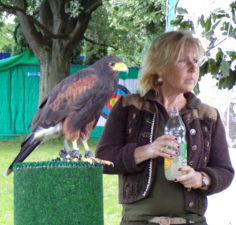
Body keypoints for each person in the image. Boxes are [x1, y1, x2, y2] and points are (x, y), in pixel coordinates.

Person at [96, 31, 234, 225]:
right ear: (159, 68)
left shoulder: (207, 115)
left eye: (195, 60)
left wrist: (202, 179)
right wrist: (147, 150)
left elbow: (225, 171)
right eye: (182, 61)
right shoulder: (129, 106)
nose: (193, 68)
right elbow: (103, 160)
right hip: (139, 222)